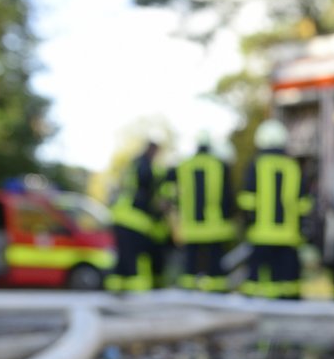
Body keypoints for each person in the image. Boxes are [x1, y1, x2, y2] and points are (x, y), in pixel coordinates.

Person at [237, 119, 313, 299]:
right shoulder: (293, 166)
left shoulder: (256, 164)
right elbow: (304, 204)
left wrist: (248, 223)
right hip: (288, 238)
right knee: (288, 287)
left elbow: (246, 201)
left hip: (261, 237)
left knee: (256, 286)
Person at [173, 132, 235, 292]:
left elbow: (173, 193)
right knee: (215, 269)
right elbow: (227, 196)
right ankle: (217, 295)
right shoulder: (219, 165)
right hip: (215, 227)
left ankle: (189, 295)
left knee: (190, 268)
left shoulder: (184, 165)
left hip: (191, 227)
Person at [106, 138, 169, 292]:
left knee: (123, 258)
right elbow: (147, 193)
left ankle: (117, 288)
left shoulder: (133, 164)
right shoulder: (145, 166)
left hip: (120, 216)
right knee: (135, 259)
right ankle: (134, 290)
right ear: (152, 150)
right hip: (133, 219)